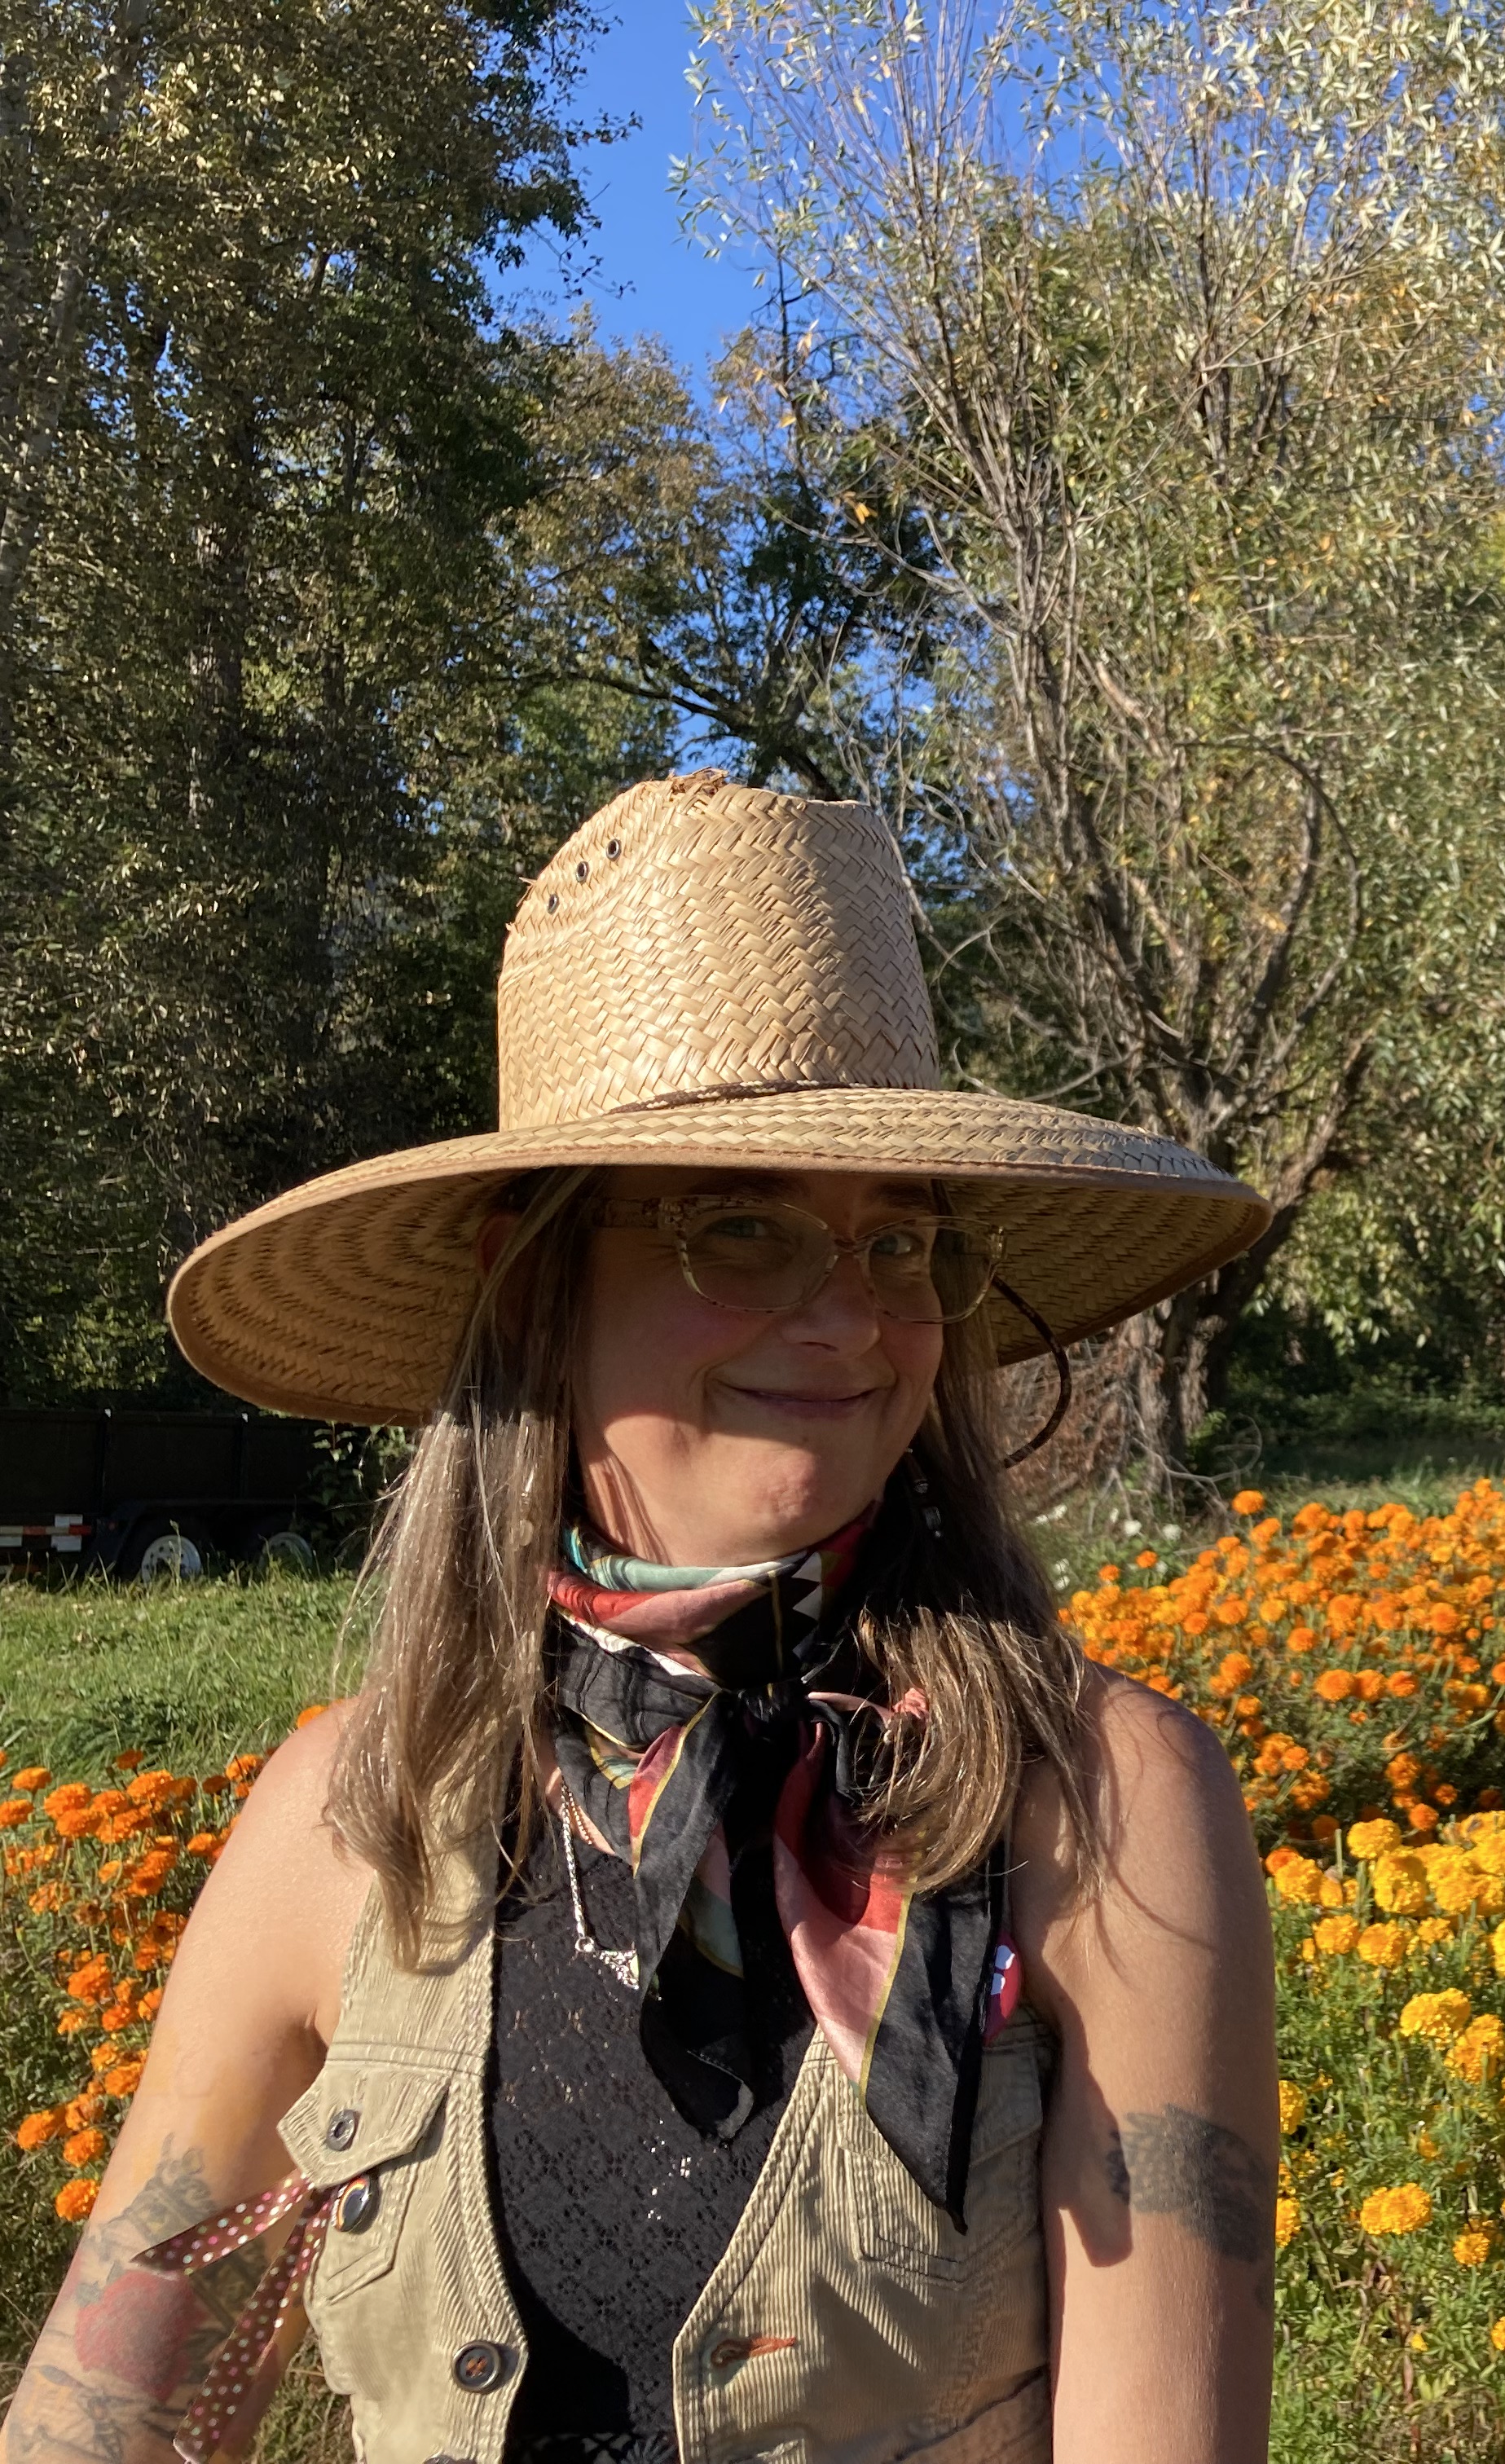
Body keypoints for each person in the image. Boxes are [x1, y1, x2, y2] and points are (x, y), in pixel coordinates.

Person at [2, 775, 1285, 2464]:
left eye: (905, 1248)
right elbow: (106, 2415)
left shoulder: (1098, 1806)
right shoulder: (347, 1818)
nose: (850, 1315)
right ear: (535, 1282)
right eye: (740, 1225)